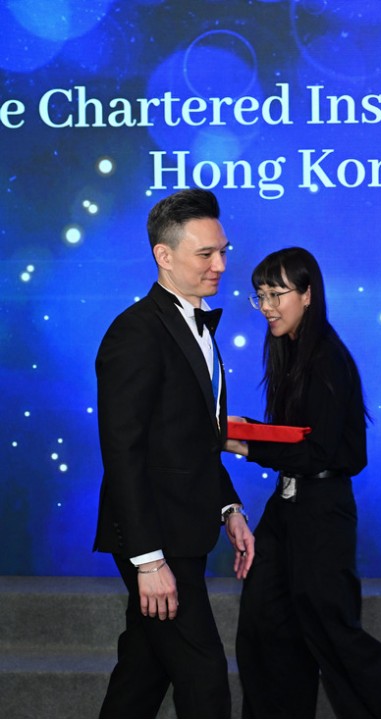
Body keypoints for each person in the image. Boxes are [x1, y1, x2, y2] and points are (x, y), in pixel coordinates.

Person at [224, 247, 381, 719]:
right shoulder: (290, 352)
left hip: (322, 510)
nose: (267, 306)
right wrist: (247, 432)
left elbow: (320, 452)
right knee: (265, 627)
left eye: (277, 294)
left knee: (334, 634)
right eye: (260, 295)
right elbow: (294, 437)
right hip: (286, 508)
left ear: (308, 295)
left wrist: (243, 443)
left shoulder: (327, 358)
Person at [94, 188, 255, 718]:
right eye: (205, 254)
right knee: (203, 677)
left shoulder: (196, 322)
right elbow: (123, 452)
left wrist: (228, 507)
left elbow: (194, 438)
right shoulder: (135, 332)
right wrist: (147, 560)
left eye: (223, 251)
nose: (221, 265)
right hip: (156, 537)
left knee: (143, 672)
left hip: (185, 525)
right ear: (164, 255)